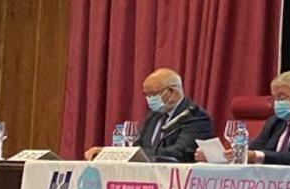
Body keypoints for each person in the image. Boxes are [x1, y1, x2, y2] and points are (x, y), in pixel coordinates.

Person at [84, 68, 213, 163]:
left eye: (153, 94)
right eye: (146, 95)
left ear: (172, 91)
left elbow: (178, 153)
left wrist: (136, 154)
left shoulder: (196, 117)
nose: (149, 99)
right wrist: (109, 153)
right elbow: (137, 147)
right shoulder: (154, 116)